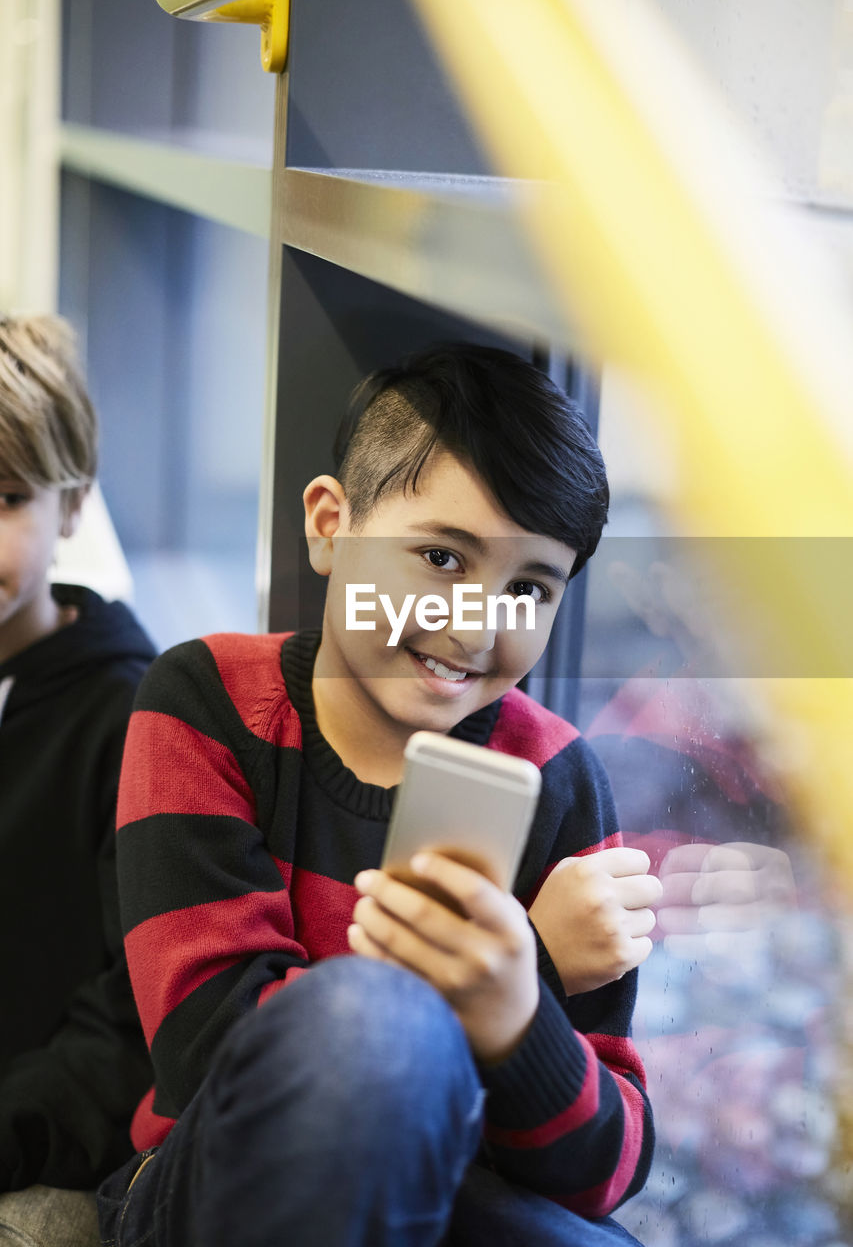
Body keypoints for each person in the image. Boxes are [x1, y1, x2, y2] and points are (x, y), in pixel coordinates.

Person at [100, 343, 661, 1246]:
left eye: (528, 587)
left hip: (446, 1194)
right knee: (367, 1028)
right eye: (439, 557)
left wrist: (523, 1010)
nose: (475, 623)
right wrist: (528, 965)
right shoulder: (204, 699)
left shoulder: (555, 778)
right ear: (329, 525)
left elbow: (610, 1168)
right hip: (208, 1183)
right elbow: (219, 1056)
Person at [0, 315, 155, 1241]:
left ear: (73, 504)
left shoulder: (129, 716)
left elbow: (130, 1023)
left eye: (9, 497)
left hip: (40, 1143)